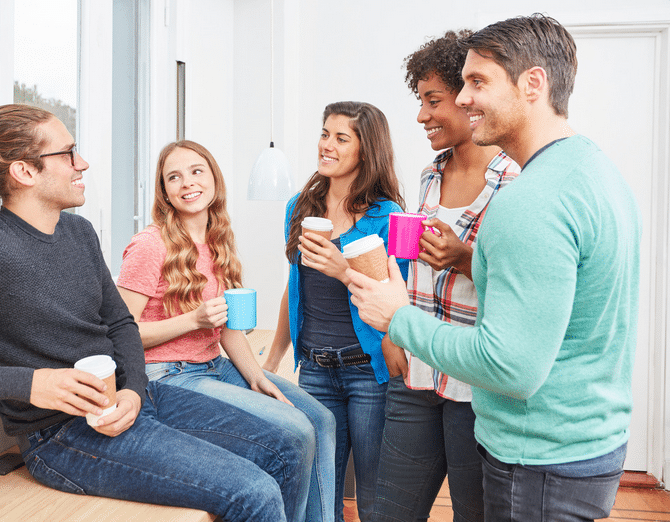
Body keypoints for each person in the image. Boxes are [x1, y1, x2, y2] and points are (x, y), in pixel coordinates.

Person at [0, 104, 307, 522]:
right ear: (24, 171)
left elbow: (119, 323)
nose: (83, 163)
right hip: (62, 438)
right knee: (254, 490)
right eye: (68, 153)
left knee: (287, 444)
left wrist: (134, 388)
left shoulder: (77, 232)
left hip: (133, 401)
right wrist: (32, 383)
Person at [348, 14, 640, 522]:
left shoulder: (529, 200)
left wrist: (397, 318)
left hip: (539, 458)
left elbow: (509, 367)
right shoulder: (592, 168)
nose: (463, 98)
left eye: (477, 82)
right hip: (581, 446)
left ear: (533, 84)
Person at [116, 139, 337, 522]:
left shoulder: (218, 239)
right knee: (295, 433)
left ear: (214, 178)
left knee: (320, 420)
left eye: (196, 171)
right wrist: (193, 320)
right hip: (167, 378)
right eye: (174, 177)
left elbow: (228, 326)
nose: (187, 183)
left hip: (215, 366)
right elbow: (119, 335)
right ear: (164, 192)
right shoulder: (151, 245)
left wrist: (257, 376)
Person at [372, 31, 520, 522]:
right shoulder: (430, 174)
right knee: (387, 513)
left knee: (472, 515)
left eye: (433, 100)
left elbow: (523, 285)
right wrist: (393, 332)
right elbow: (408, 267)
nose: (422, 116)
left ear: (466, 98)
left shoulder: (515, 181)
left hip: (474, 388)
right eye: (421, 101)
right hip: (415, 373)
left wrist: (463, 257)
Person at [263, 101, 408, 522]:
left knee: (374, 498)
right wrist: (272, 360)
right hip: (314, 371)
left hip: (369, 373)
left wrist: (342, 270)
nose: (327, 145)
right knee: (318, 499)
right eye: (324, 134)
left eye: (341, 138)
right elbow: (296, 286)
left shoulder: (386, 217)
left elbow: (392, 298)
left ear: (367, 150)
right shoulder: (300, 207)